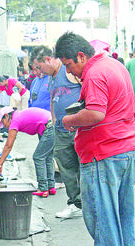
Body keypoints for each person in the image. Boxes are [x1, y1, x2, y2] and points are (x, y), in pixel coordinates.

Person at [55, 32, 135, 246]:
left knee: (102, 215)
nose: (70, 72)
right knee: (123, 213)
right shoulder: (115, 65)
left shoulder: (94, 73)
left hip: (103, 152)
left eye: (69, 65)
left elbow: (95, 113)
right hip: (127, 148)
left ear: (81, 56)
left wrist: (68, 121)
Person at [30, 45, 82, 218]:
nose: (38, 71)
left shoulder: (69, 71)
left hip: (78, 129)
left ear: (48, 59)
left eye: (39, 66)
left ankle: (87, 202)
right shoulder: (50, 78)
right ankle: (75, 202)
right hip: (60, 129)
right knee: (66, 169)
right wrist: (53, 120)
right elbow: (54, 99)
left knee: (83, 166)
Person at [0, 107, 55, 197]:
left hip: (49, 126)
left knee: (38, 157)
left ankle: (43, 188)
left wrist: (0, 164)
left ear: (7, 116)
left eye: (3, 123)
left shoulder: (15, 120)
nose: (5, 126)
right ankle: (51, 187)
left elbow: (8, 145)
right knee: (47, 157)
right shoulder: (17, 116)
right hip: (50, 124)